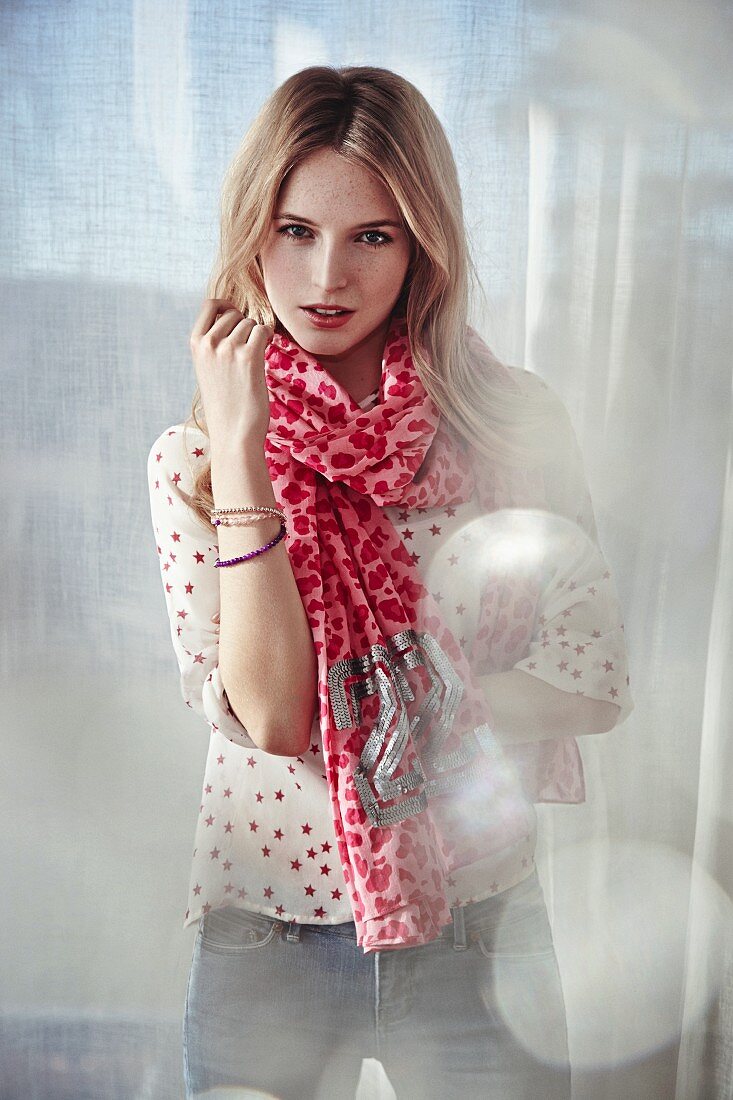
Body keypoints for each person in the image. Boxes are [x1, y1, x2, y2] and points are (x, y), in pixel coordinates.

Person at [146, 65, 633, 1100]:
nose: (327, 272)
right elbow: (274, 718)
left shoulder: (514, 424)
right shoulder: (195, 456)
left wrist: (389, 695)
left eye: (372, 233)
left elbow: (591, 678)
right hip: (264, 935)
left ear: (422, 246)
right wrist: (245, 455)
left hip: (480, 928)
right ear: (252, 235)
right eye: (294, 230)